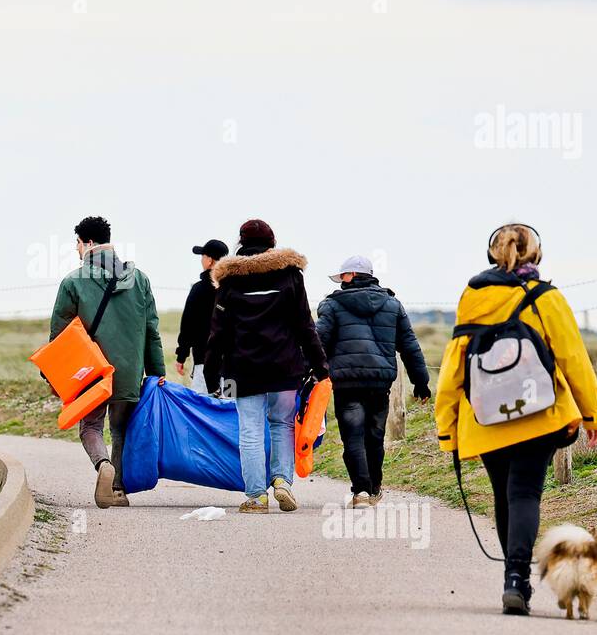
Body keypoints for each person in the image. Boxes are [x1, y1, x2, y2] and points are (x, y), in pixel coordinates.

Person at [435, 224, 597, 615]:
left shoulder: (473, 296)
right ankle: (516, 577)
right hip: (540, 415)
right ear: (536, 255)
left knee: (502, 494)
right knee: (525, 492)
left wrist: (447, 426)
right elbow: (573, 358)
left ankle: (513, 580)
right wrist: (592, 412)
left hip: (486, 420)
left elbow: (455, 363)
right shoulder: (548, 298)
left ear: (493, 254)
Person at [204, 219, 328, 514]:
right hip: (285, 368)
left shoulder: (230, 281)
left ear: (241, 244)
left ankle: (256, 497)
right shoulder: (290, 275)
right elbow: (304, 325)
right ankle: (283, 481)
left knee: (249, 429)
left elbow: (218, 332)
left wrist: (212, 376)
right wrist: (320, 364)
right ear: (272, 242)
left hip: (242, 370)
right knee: (283, 424)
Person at [49, 216, 165, 508]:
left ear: (87, 243)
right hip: (129, 369)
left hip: (91, 370)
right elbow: (152, 329)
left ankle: (103, 465)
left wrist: (53, 376)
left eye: (76, 243)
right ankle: (117, 490)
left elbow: (59, 336)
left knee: (91, 426)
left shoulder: (73, 282)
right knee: (121, 428)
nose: (76, 249)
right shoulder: (140, 279)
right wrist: (157, 372)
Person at [316, 255, 431, 509]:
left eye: (343, 275)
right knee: (374, 436)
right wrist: (420, 382)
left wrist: (310, 374)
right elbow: (409, 346)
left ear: (352, 275)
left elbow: (319, 342)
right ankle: (374, 487)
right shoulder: (392, 305)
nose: (341, 280)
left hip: (347, 383)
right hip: (379, 383)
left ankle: (362, 491)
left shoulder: (332, 305)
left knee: (353, 437)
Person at [174, 238, 228, 393]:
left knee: (202, 406)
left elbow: (188, 325)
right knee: (229, 407)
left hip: (203, 362)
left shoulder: (199, 289)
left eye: (203, 256)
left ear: (210, 260)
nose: (201, 259)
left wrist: (181, 356)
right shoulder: (232, 289)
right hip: (231, 365)